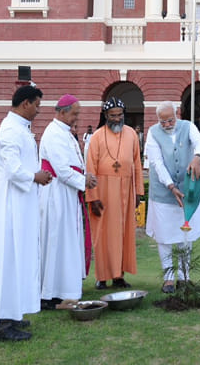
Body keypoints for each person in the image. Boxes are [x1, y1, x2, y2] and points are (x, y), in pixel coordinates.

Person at [0, 85, 52, 341]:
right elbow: (14, 169)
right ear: (25, 103)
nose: (39, 111)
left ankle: (12, 313)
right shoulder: (9, 130)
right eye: (37, 105)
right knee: (7, 260)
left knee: (20, 259)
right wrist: (35, 177)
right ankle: (1, 324)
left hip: (21, 204)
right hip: (9, 207)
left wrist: (37, 176)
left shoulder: (20, 129)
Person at [38, 94, 96, 309]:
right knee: (56, 242)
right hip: (56, 195)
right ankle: (49, 292)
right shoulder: (53, 133)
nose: (77, 118)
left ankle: (64, 289)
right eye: (74, 114)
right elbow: (62, 170)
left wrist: (84, 178)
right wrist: (84, 181)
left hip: (67, 195)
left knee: (66, 242)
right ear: (62, 112)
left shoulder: (65, 133)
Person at [144, 102, 200, 294]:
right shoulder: (152, 133)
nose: (166, 124)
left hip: (187, 189)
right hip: (163, 192)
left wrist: (197, 157)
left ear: (176, 115)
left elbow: (199, 142)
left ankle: (184, 276)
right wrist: (170, 186)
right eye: (162, 121)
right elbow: (156, 162)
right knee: (164, 237)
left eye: (169, 120)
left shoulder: (188, 126)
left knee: (185, 236)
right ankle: (168, 279)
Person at [84, 97, 143, 290]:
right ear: (106, 116)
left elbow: (137, 164)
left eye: (120, 115)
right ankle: (102, 277)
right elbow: (91, 169)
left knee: (123, 234)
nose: (117, 119)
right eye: (112, 116)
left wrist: (138, 192)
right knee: (103, 234)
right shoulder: (97, 137)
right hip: (103, 190)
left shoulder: (132, 134)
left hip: (126, 189)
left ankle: (119, 276)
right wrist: (92, 197)